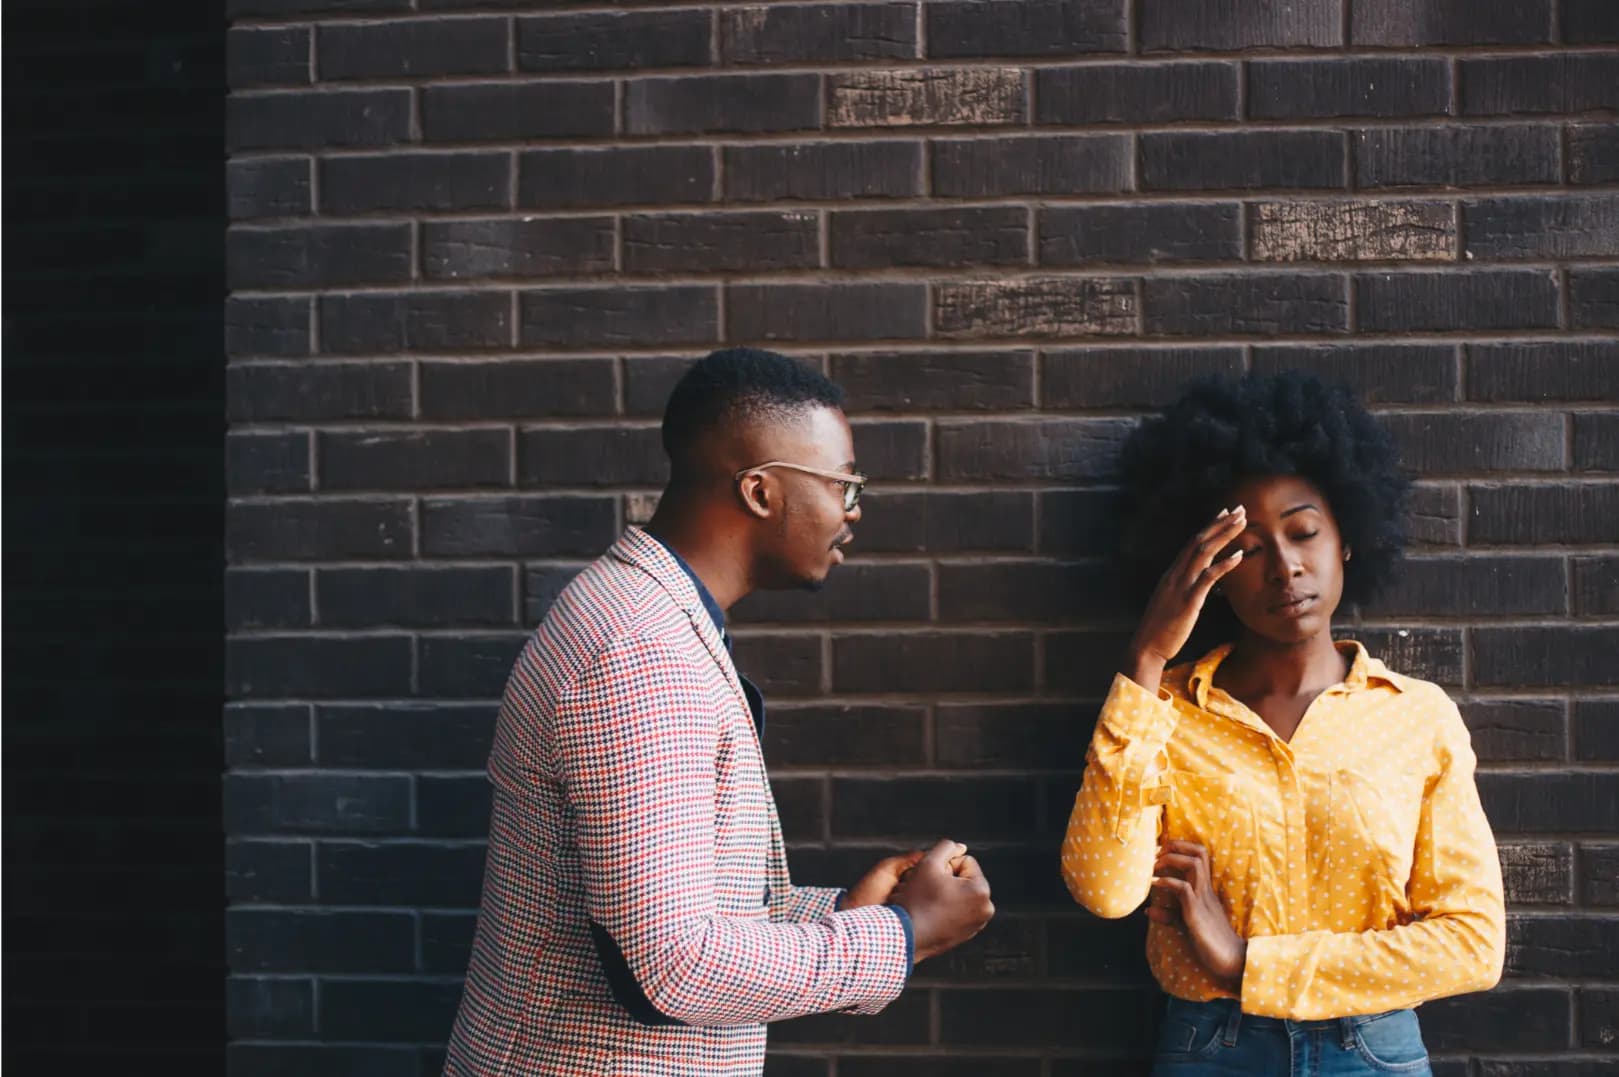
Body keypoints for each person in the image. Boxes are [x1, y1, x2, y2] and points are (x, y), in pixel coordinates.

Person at [446, 347, 994, 1076]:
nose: (853, 510)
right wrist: (901, 934)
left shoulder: (641, 613)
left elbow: (658, 916)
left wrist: (842, 918)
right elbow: (673, 965)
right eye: (844, 483)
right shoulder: (643, 654)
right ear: (761, 492)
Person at [1060, 372, 1504, 1076]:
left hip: (1372, 1051)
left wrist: (1248, 962)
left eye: (1302, 531)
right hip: (1211, 1048)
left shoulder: (1415, 716)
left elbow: (1472, 943)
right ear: (1209, 569)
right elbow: (1105, 889)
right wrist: (1145, 656)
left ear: (1347, 540)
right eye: (1248, 548)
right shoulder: (1163, 712)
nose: (1285, 567)